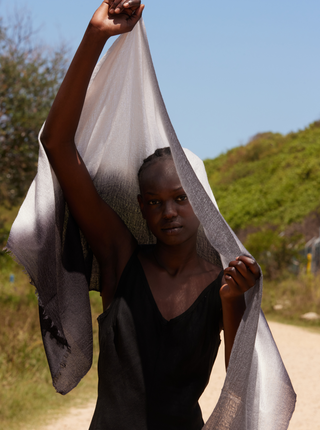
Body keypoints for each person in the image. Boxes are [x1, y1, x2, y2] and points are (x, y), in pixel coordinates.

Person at [40, 1, 260, 429]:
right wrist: (95, 36)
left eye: (181, 197)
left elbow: (241, 387)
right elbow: (58, 145)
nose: (169, 212)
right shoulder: (119, 256)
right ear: (141, 207)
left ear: (203, 201)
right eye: (155, 202)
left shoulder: (226, 283)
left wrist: (233, 302)